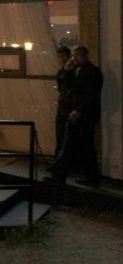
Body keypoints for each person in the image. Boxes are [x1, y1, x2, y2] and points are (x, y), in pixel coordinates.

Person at [47, 45, 103, 188]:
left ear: (85, 55)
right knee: (83, 146)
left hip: (85, 115)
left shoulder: (93, 72)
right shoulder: (76, 70)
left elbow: (91, 94)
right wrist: (67, 71)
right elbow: (68, 87)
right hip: (75, 113)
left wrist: (79, 110)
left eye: (77, 55)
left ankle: (60, 176)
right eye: (73, 55)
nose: (74, 58)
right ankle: (90, 178)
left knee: (74, 145)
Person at [53, 46, 74, 158]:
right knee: (60, 134)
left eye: (63, 56)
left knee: (67, 135)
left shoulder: (73, 70)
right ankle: (59, 158)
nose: (61, 59)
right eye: (59, 57)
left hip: (70, 106)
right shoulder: (62, 70)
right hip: (63, 104)